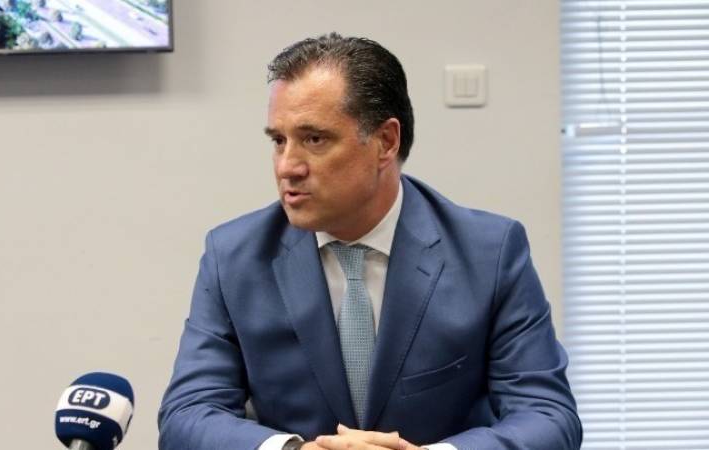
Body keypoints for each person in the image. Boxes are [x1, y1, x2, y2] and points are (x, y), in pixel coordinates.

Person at [158, 33, 581, 450]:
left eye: (314, 139)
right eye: (279, 141)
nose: (287, 167)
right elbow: (186, 415)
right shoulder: (234, 257)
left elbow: (548, 416)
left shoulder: (489, 253)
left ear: (386, 142)